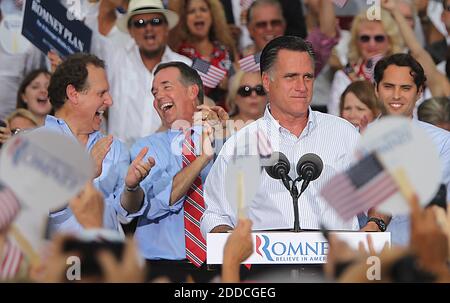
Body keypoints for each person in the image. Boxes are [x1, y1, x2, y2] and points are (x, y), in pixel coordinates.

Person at [201, 36, 361, 235]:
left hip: (337, 261)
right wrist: (224, 235)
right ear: (267, 81)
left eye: (308, 77)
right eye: (291, 77)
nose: (301, 87)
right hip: (266, 263)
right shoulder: (239, 145)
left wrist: (375, 223)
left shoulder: (344, 133)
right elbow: (216, 213)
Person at [118, 61, 228, 282]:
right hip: (160, 267)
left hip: (219, 264)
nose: (158, 96)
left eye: (166, 87)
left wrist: (225, 137)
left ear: (192, 91)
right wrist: (202, 158)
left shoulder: (227, 140)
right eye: (154, 92)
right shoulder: (145, 148)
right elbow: (157, 203)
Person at [44, 53, 142, 235]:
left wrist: (132, 187)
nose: (110, 101)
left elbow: (127, 212)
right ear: (73, 94)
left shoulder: (113, 147)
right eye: (101, 93)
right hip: (56, 260)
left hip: (108, 259)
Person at [365, 53, 450, 246]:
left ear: (420, 92)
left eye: (405, 88)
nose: (396, 95)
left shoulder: (442, 142)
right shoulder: (354, 138)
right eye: (388, 87)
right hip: (364, 252)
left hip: (420, 255)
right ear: (376, 89)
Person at [95, 0, 192, 146]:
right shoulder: (114, 59)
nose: (148, 28)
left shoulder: (185, 66)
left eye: (156, 21)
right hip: (119, 162)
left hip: (168, 161)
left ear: (166, 28)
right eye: (140, 23)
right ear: (131, 31)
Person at [329, 8, 404, 116]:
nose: (372, 44)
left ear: (390, 42)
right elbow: (334, 117)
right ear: (356, 42)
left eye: (379, 38)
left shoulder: (404, 75)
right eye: (365, 38)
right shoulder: (344, 76)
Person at [168, 0, 238, 106]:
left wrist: (231, 83)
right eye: (191, 11)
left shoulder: (226, 50)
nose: (198, 14)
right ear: (183, 19)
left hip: (228, 117)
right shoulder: (179, 54)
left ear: (212, 15)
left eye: (203, 10)